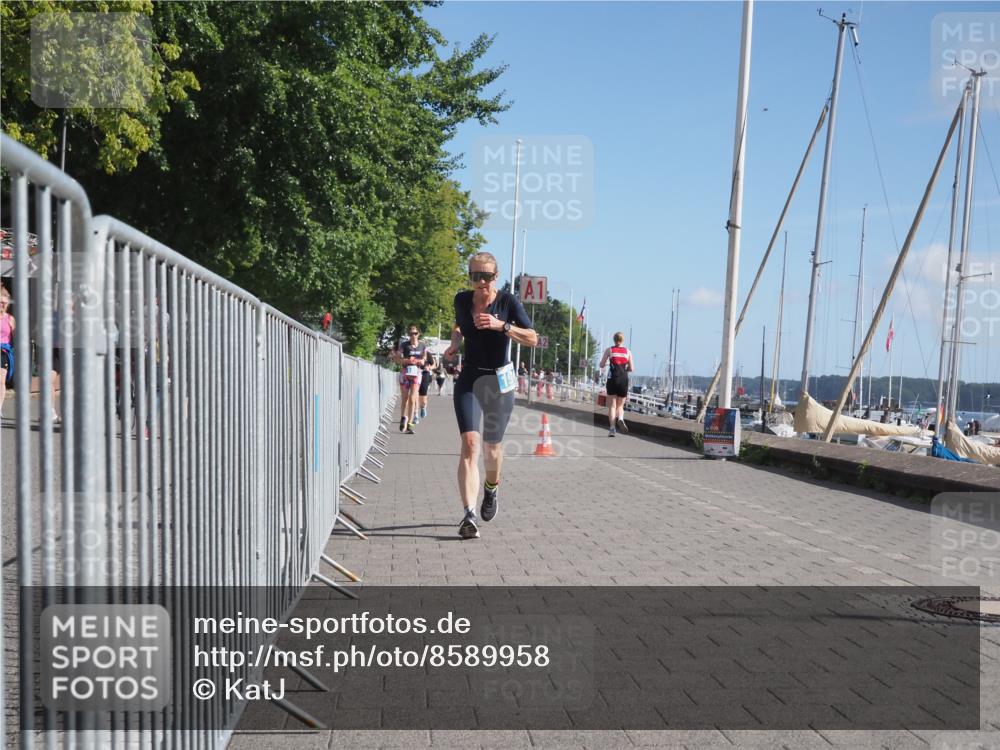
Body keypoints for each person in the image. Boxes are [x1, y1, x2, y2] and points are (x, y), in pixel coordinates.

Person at [443, 252, 537, 540]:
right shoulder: (461, 300)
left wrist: (502, 326)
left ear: (496, 277)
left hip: (500, 380)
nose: (480, 282)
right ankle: (469, 514)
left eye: (486, 276)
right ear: (469, 276)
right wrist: (454, 344)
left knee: (491, 448)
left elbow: (533, 337)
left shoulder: (507, 302)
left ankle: (492, 488)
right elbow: (459, 326)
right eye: (475, 276)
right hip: (470, 377)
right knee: (470, 443)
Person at [599, 332, 635, 437]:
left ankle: (612, 429)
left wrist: (606, 364)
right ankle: (621, 419)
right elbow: (631, 368)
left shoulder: (609, 350)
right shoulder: (628, 352)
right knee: (620, 405)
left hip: (612, 379)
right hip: (624, 379)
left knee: (612, 406)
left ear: (614, 339)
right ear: (622, 340)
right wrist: (625, 368)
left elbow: (601, 364)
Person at [394, 326, 427, 434]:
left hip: (417, 373)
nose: (413, 335)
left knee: (413, 399)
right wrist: (407, 360)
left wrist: (421, 361)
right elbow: (397, 359)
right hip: (405, 373)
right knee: (405, 398)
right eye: (411, 333)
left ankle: (410, 424)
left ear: (419, 334)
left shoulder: (422, 345)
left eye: (415, 333)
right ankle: (403, 417)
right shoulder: (404, 345)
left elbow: (424, 357)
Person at [0, 286, 14, 413]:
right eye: (0, 302)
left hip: (3, 352)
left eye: (4, 303)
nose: (2, 305)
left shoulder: (10, 319)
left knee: (1, 380)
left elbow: (15, 337)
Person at [415, 349, 434, 423]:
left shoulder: (428, 353)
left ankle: (423, 407)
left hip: (425, 374)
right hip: (415, 373)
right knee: (414, 395)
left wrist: (429, 368)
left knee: (423, 396)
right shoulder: (412, 352)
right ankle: (415, 415)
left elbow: (433, 364)